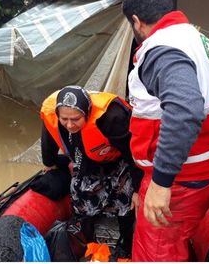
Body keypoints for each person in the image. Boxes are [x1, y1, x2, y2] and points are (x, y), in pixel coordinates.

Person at [122, 0, 209, 261]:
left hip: (177, 181)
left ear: (136, 21)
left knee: (155, 253)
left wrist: (161, 183)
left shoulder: (160, 48)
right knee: (172, 243)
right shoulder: (204, 44)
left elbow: (185, 109)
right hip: (204, 175)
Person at [38, 85, 142, 258]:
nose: (70, 125)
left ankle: (126, 244)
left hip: (117, 159)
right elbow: (49, 138)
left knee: (126, 200)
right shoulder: (53, 113)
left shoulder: (112, 117)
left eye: (76, 119)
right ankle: (86, 240)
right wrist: (49, 162)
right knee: (80, 196)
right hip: (85, 159)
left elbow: (133, 152)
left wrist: (138, 189)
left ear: (87, 112)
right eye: (65, 119)